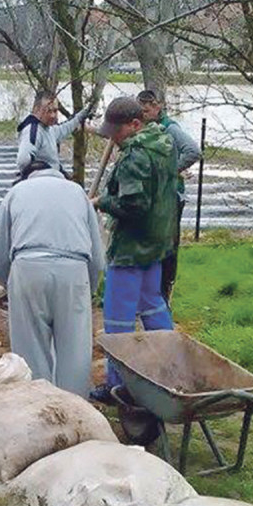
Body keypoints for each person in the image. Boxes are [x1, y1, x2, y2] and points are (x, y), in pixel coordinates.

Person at [89, 97, 178, 404]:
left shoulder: (135, 158)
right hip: (157, 241)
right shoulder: (165, 142)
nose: (112, 137)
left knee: (118, 320)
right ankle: (169, 366)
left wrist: (103, 202)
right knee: (153, 304)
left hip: (131, 248)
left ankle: (118, 386)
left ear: (135, 125)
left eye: (116, 131)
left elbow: (134, 205)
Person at [0, 160, 104, 398]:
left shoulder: (16, 193)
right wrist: (88, 289)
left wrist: (9, 285)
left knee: (30, 347)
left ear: (27, 176)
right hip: (74, 269)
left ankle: (38, 408)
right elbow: (97, 256)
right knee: (74, 350)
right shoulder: (77, 193)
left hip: (28, 266)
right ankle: (74, 411)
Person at [137, 89, 200, 303]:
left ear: (158, 107)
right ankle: (149, 294)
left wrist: (170, 170)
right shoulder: (144, 128)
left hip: (171, 197)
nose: (144, 114)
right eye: (141, 111)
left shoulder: (170, 128)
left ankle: (164, 297)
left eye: (147, 110)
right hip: (154, 198)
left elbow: (193, 151)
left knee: (168, 247)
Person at [16, 90, 93, 178]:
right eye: (48, 111)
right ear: (36, 109)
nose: (52, 115)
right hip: (42, 184)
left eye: (55, 111)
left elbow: (65, 128)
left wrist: (82, 115)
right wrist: (42, 172)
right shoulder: (33, 130)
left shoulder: (49, 129)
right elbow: (23, 161)